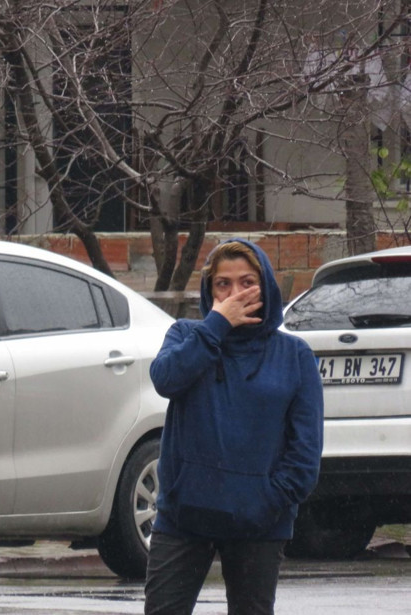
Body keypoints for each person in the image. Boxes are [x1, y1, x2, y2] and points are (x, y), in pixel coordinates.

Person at [144, 238, 324, 615]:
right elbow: (165, 380)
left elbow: (304, 452)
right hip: (185, 514)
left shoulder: (294, 355)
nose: (235, 293)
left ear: (266, 286)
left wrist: (267, 501)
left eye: (247, 282)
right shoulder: (185, 336)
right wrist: (216, 327)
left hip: (259, 522)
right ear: (210, 291)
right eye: (223, 284)